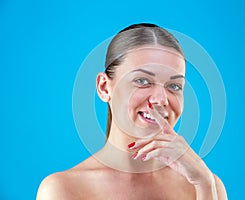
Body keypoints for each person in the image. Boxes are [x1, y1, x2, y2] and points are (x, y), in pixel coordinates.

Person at [36, 23, 227, 200]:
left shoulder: (205, 184)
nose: (161, 99)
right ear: (104, 87)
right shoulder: (62, 190)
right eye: (142, 81)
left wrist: (205, 186)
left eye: (174, 86)